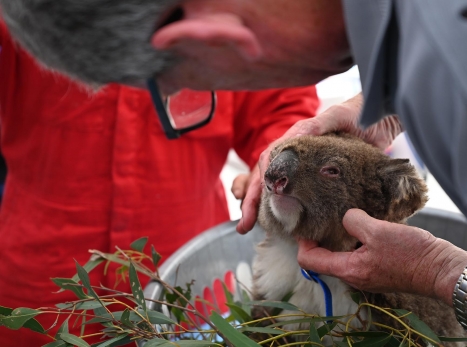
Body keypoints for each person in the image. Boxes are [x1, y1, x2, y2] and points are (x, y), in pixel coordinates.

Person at [1, 0, 467, 345]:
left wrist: (442, 274)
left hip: (178, 246)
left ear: (213, 36)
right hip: (38, 280)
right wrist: (393, 92)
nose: (176, 99)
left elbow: (279, 116)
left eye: (181, 86)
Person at [0, 17, 320, 345]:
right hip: (42, 292)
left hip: (187, 287)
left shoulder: (229, 10)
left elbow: (281, 107)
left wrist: (276, 157)